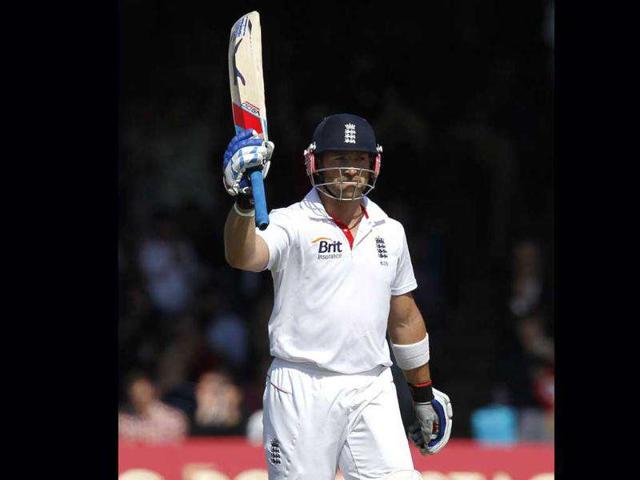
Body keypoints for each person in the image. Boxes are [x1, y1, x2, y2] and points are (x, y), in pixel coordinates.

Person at [221, 113, 453, 479]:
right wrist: (244, 205)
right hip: (301, 386)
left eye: (359, 160)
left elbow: (404, 317)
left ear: (373, 165)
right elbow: (243, 255)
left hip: (371, 386)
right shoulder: (290, 223)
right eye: (339, 160)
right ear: (316, 163)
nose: (350, 170)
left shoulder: (390, 232)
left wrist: (422, 394)